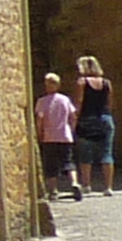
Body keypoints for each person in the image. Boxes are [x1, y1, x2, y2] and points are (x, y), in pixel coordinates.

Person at [72, 54, 118, 196]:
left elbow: (79, 102)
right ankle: (108, 187)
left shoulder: (82, 82)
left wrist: (74, 121)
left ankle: (86, 185)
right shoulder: (106, 83)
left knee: (86, 153)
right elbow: (109, 103)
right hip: (105, 118)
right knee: (106, 152)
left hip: (87, 118)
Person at [34, 72, 82, 201]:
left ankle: (53, 191)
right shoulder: (65, 99)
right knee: (68, 161)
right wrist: (71, 130)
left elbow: (40, 118)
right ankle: (74, 183)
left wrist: (39, 133)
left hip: (49, 136)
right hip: (65, 135)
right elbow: (73, 116)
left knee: (51, 164)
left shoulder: (42, 101)